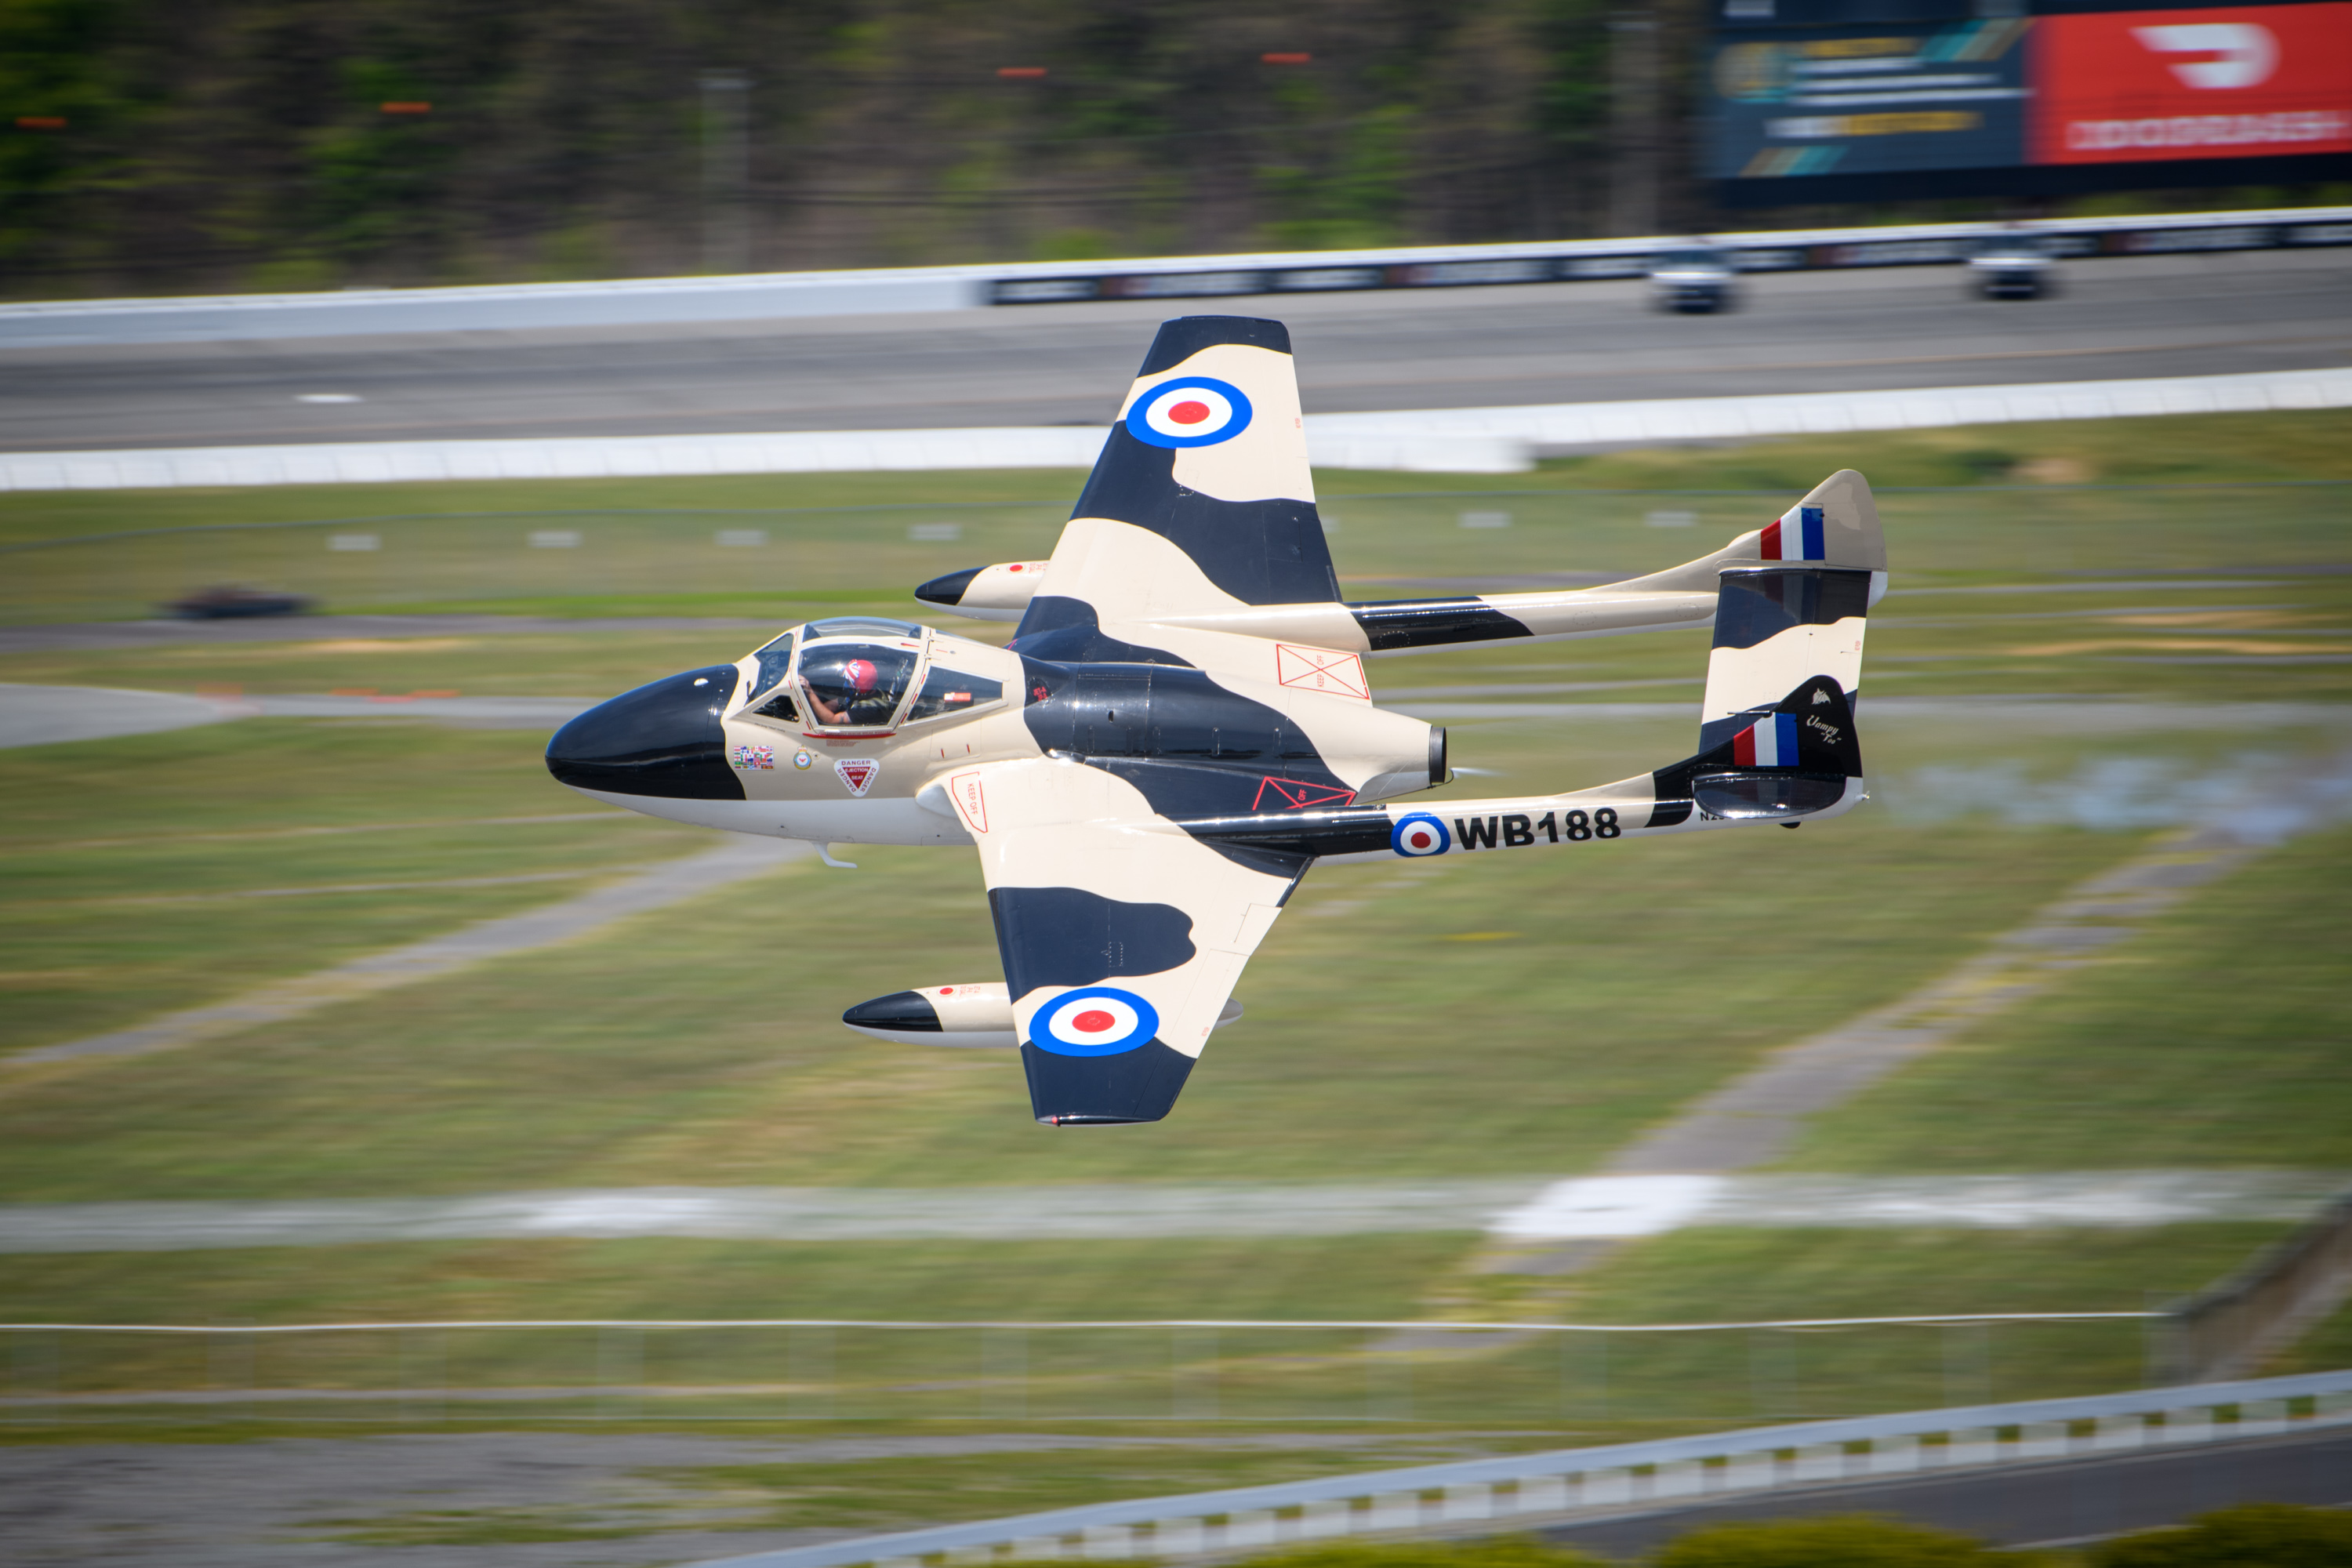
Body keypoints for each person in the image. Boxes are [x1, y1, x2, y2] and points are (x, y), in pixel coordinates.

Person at [800, 652, 902, 727]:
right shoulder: (865, 692)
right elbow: (831, 706)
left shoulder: (868, 708)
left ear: (860, 686)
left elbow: (831, 720)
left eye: (849, 681)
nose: (846, 684)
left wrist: (810, 692)